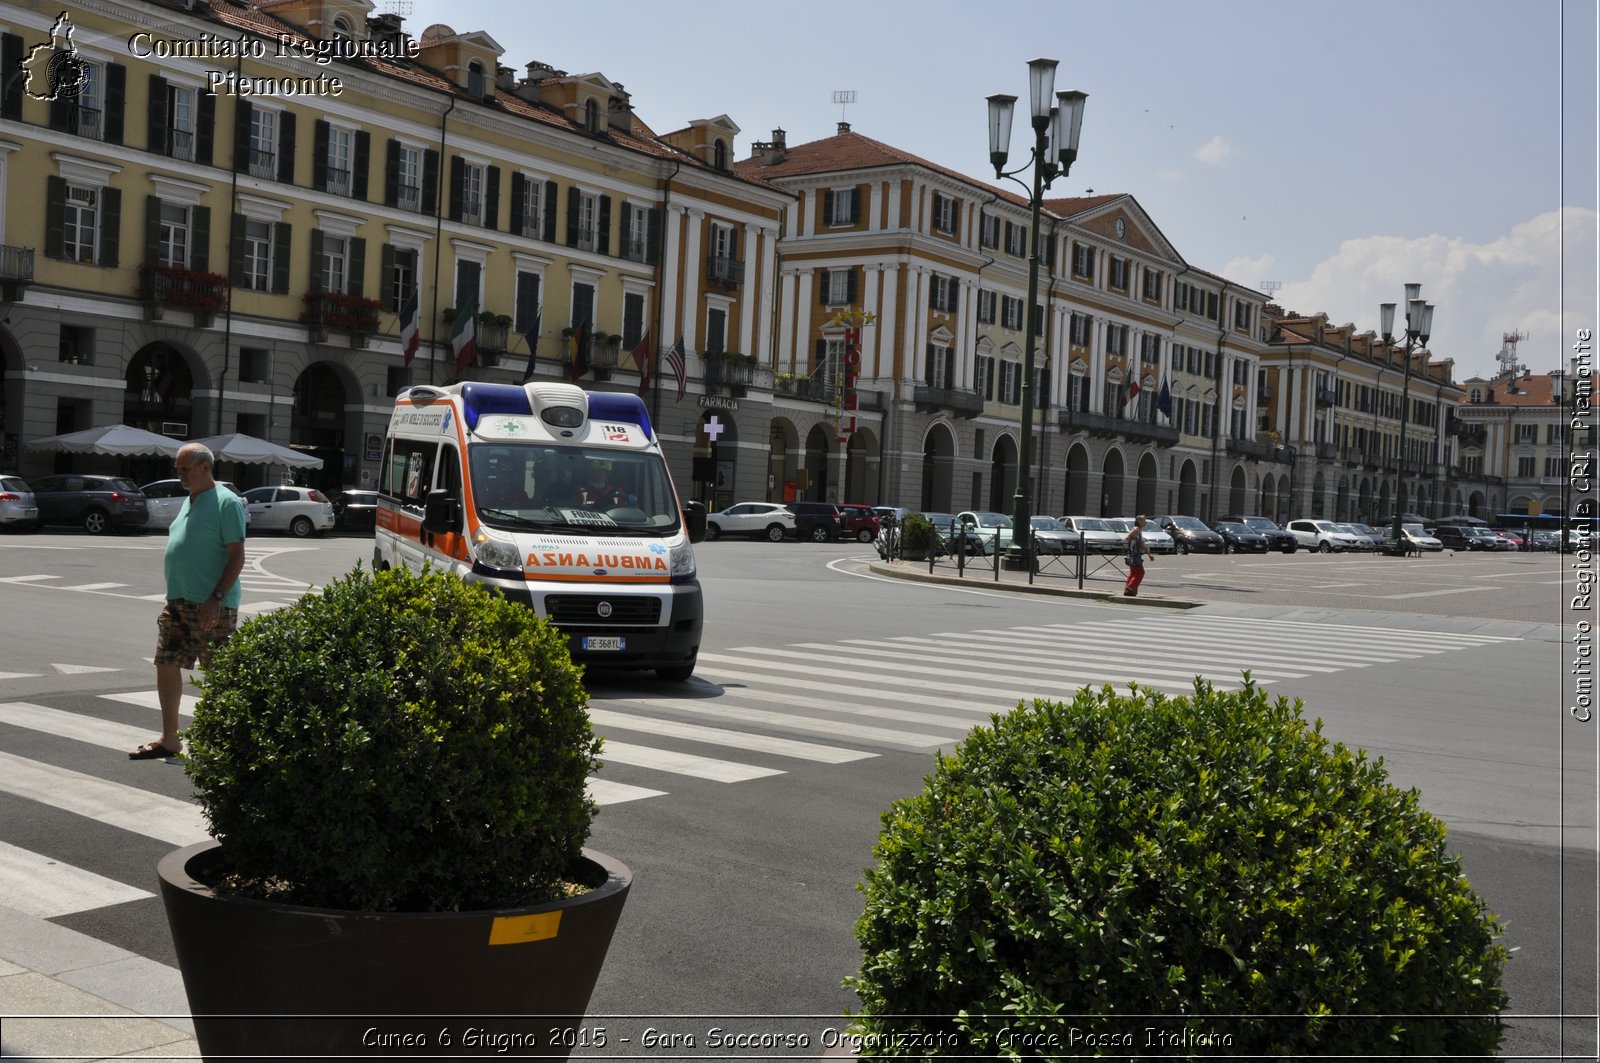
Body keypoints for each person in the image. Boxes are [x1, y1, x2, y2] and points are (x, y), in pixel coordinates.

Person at [131, 443, 247, 759]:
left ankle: (227, 740)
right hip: (178, 602)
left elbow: (237, 556)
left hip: (212, 604)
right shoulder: (189, 500)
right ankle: (170, 738)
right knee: (165, 661)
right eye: (179, 469)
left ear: (206, 467)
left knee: (219, 672)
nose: (181, 475)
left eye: (186, 469)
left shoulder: (227, 502)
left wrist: (217, 598)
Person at [1123, 514, 1154, 597]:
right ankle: (1131, 587)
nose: (1146, 522)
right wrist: (1132, 540)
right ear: (1139, 521)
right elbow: (1127, 538)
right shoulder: (1136, 529)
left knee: (1133, 573)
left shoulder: (1139, 530)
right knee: (1140, 572)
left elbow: (1142, 545)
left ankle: (1128, 591)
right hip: (1135, 555)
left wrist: (1149, 554)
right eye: (1144, 520)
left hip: (1134, 555)